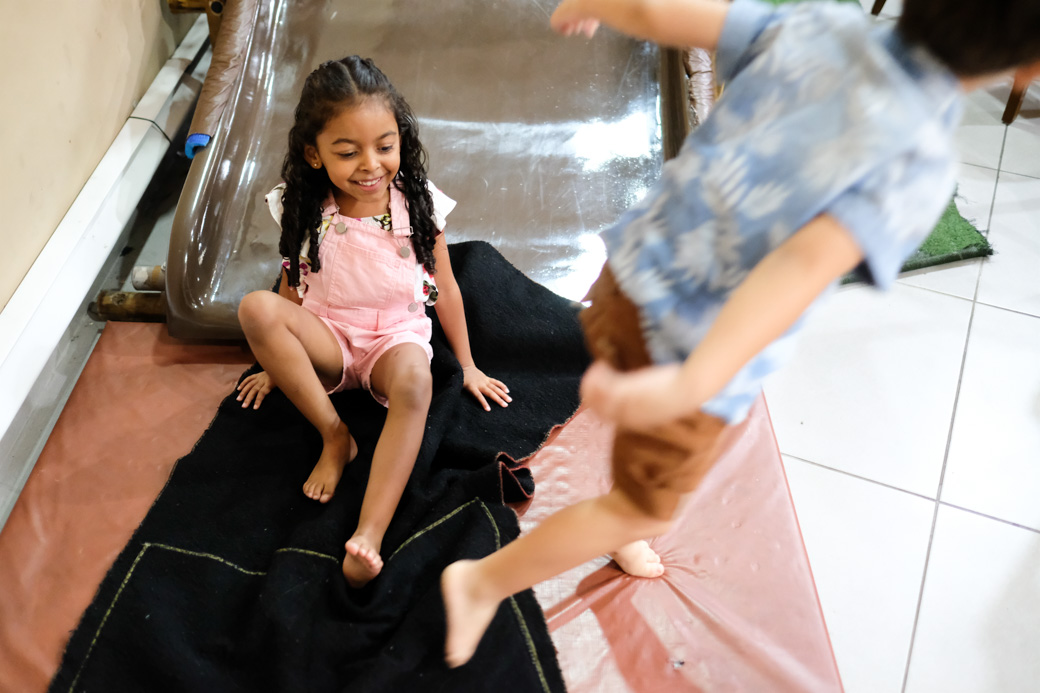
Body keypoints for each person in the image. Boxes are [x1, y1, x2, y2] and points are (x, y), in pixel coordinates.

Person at [441, 0, 1040, 667]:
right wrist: (692, 379)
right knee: (646, 506)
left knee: (632, 419)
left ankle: (622, 421)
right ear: (1028, 67)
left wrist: (601, 4)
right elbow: (795, 267)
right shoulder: (916, 166)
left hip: (629, 272)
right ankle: (482, 581)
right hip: (687, 348)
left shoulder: (817, 26)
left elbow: (667, 13)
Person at [236, 56, 511, 588]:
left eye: (385, 146)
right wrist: (276, 360)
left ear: (400, 140)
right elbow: (292, 281)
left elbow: (445, 286)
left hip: (394, 338)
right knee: (256, 307)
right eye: (347, 151)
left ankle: (370, 531)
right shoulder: (304, 206)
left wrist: (471, 366)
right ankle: (334, 436)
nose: (370, 165)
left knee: (417, 379)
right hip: (329, 334)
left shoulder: (418, 206)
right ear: (314, 154)